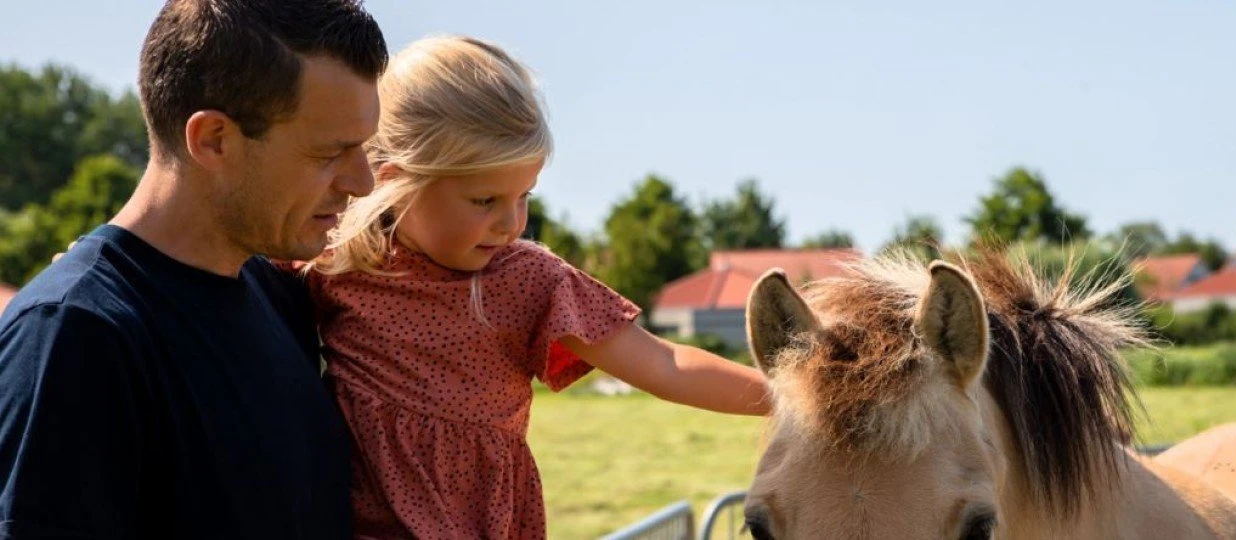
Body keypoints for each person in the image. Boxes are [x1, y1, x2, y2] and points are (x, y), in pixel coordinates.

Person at [301, 35, 770, 539]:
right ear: (394, 181)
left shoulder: (527, 280)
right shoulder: (334, 264)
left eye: (524, 195)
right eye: (485, 200)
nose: (512, 223)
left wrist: (790, 398)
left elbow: (663, 363)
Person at [0, 0, 387, 537]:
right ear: (213, 140)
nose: (363, 182)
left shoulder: (280, 296)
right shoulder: (75, 334)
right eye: (330, 152)